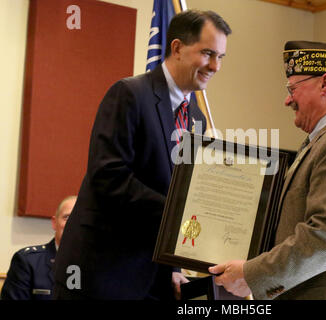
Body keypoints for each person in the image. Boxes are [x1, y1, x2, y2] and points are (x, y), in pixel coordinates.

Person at [53, 10, 231, 300]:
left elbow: (179, 189)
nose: (215, 66)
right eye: (208, 53)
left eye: (221, 57)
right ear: (177, 48)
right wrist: (177, 212)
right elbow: (109, 177)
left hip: (153, 279)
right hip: (102, 273)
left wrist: (175, 264)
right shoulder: (129, 94)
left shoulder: (196, 118)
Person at [209, 41, 326, 300]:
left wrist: (251, 275)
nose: (287, 99)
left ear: (325, 84)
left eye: (293, 89)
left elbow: (325, 236)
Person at [1, 196, 76, 300]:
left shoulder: (101, 264)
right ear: (54, 223)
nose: (73, 223)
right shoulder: (27, 261)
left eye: (81, 218)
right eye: (67, 217)